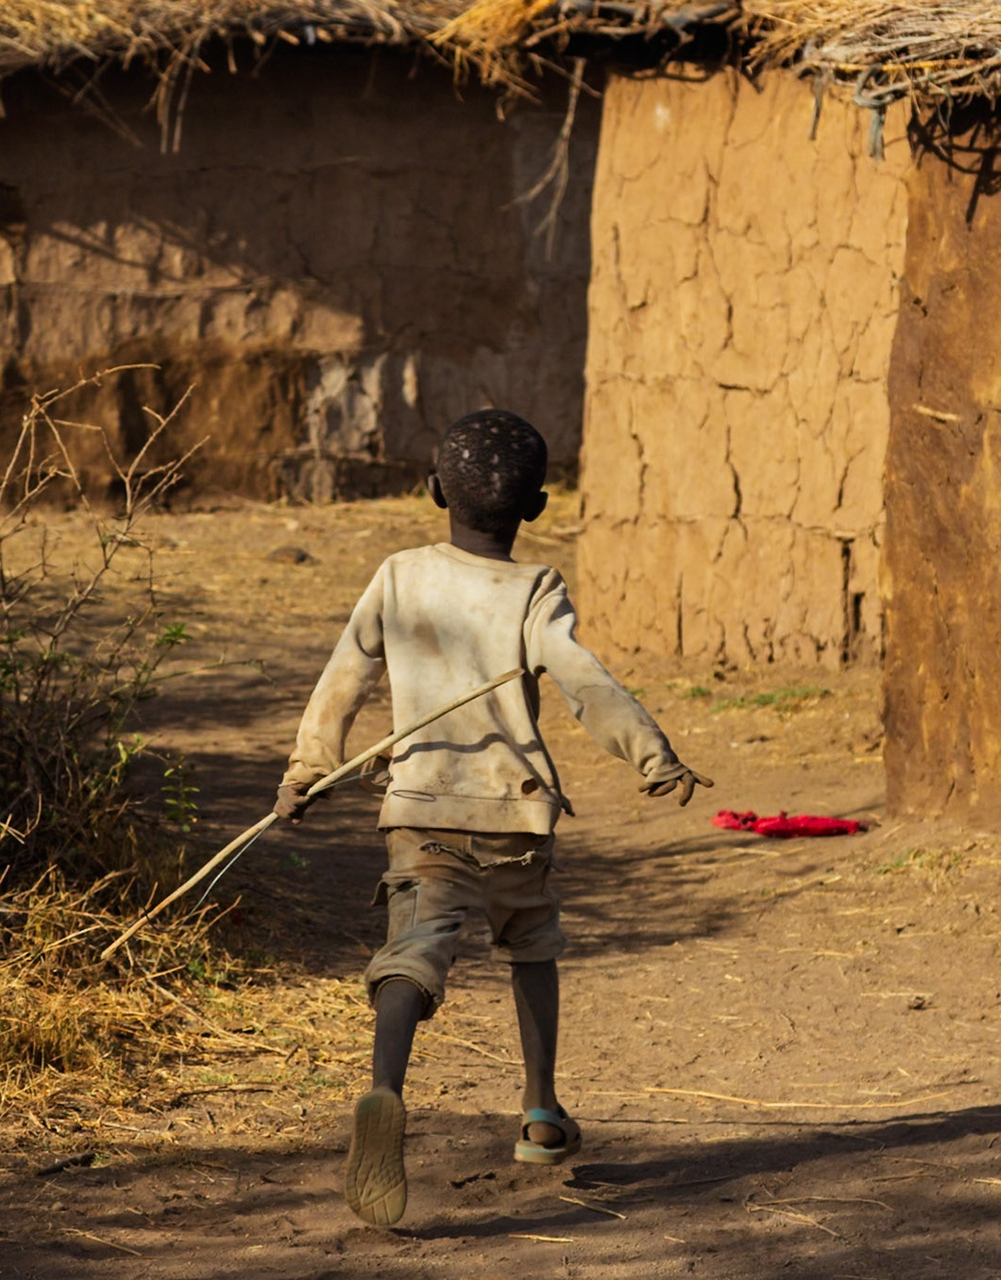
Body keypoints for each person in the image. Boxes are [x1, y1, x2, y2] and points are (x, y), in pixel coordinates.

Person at [275, 409, 712, 1227]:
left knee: (412, 952)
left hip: (420, 808)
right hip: (514, 815)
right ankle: (541, 1112)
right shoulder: (536, 590)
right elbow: (586, 683)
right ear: (537, 507)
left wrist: (309, 767)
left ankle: (384, 1091)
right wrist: (652, 754)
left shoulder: (399, 575)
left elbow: (345, 678)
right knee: (531, 947)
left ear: (434, 489)